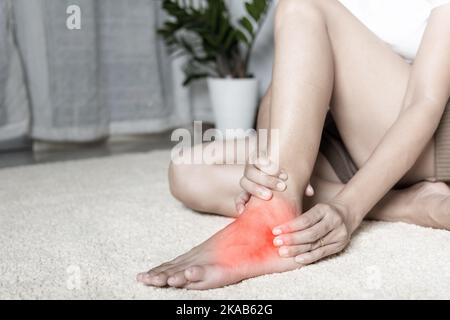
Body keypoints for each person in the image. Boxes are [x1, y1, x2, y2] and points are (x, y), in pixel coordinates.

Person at [137, 0, 450, 289]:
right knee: (187, 172)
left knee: (303, 1)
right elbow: (286, 85)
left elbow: (423, 104)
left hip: (425, 138)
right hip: (343, 135)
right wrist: (267, 163)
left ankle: (272, 214)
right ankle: (408, 205)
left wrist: (348, 210)